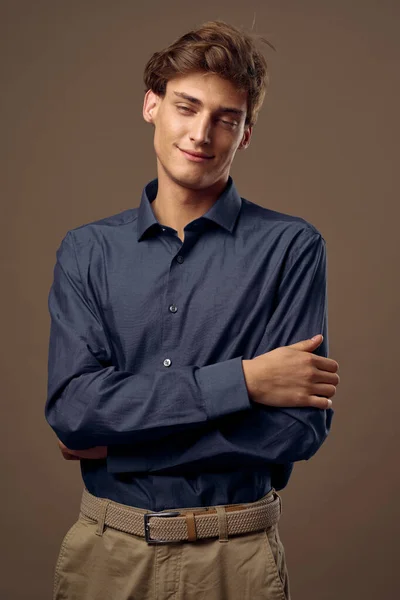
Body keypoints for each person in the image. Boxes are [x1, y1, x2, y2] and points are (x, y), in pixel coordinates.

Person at [45, 19, 340, 600]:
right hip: (107, 556)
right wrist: (244, 382)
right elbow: (75, 413)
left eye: (225, 118)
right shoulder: (86, 251)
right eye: (186, 106)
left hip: (237, 558)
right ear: (152, 105)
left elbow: (296, 429)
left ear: (246, 133)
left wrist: (125, 440)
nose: (201, 133)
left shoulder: (291, 248)